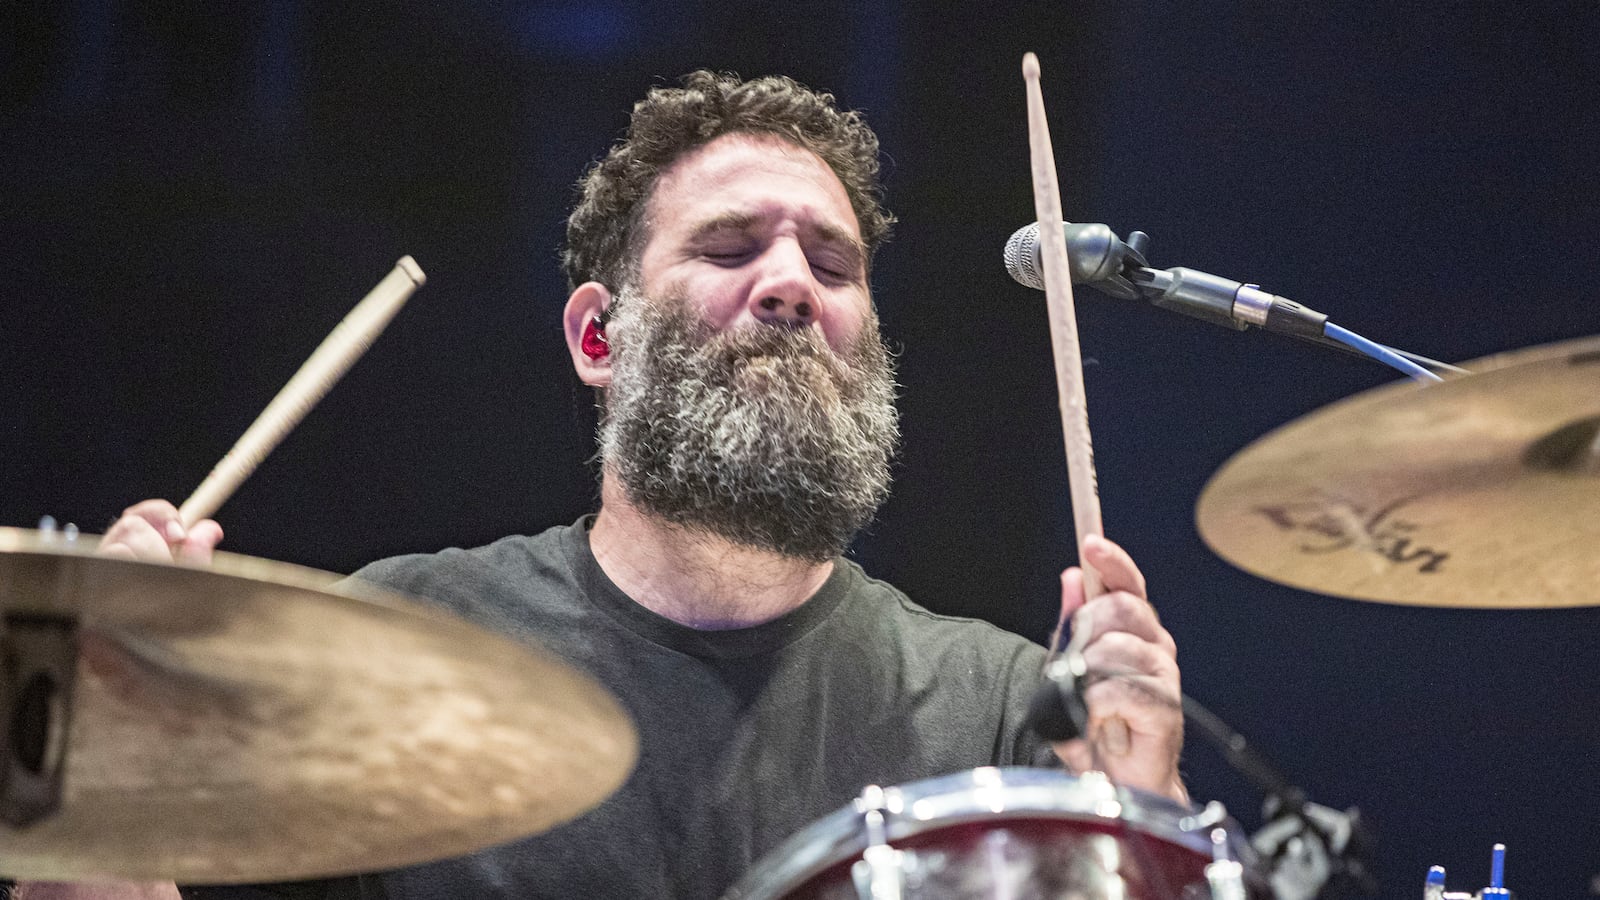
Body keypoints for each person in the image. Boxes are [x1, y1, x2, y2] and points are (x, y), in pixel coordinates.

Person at [18, 70, 1183, 900]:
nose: (791, 284)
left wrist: (1145, 831)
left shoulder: (1004, 710)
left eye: (832, 263)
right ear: (597, 339)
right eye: (730, 248)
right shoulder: (402, 646)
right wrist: (92, 757)